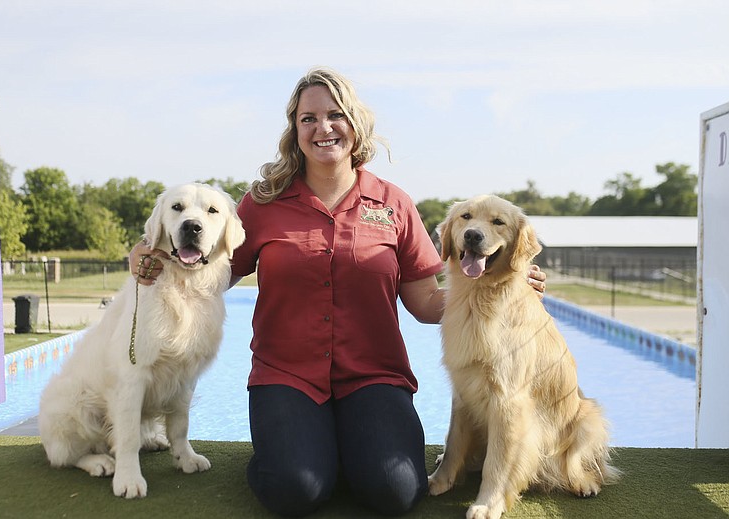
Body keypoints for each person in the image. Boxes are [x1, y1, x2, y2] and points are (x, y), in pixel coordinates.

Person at [130, 67, 546, 517]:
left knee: (397, 492)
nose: (322, 128)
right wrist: (155, 251)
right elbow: (213, 271)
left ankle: (336, 453)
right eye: (308, 118)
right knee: (294, 491)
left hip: (374, 375)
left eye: (335, 115)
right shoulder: (261, 203)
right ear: (295, 129)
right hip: (286, 375)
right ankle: (295, 454)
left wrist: (501, 284)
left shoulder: (394, 204)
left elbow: (427, 303)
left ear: (355, 124)